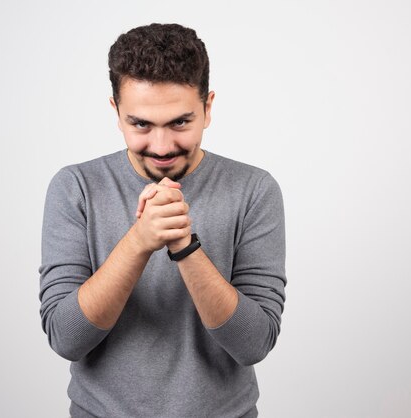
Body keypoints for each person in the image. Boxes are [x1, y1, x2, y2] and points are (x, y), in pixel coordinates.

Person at [38, 23, 286, 418]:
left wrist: (184, 246)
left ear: (208, 108)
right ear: (116, 112)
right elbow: (67, 337)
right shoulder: (76, 187)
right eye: (140, 124)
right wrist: (138, 242)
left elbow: (253, 344)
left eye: (180, 123)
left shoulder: (254, 190)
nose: (161, 146)